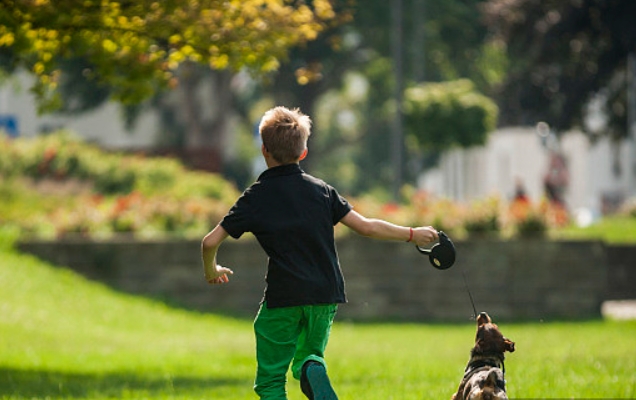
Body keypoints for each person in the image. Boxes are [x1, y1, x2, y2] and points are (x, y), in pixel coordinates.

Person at [201, 106, 438, 400]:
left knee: (271, 381)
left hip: (283, 296)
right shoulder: (322, 191)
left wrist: (212, 270)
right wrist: (413, 234)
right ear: (303, 152)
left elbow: (210, 242)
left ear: (264, 150)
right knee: (309, 358)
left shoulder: (255, 197)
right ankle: (312, 367)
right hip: (325, 293)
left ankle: (305, 371)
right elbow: (366, 227)